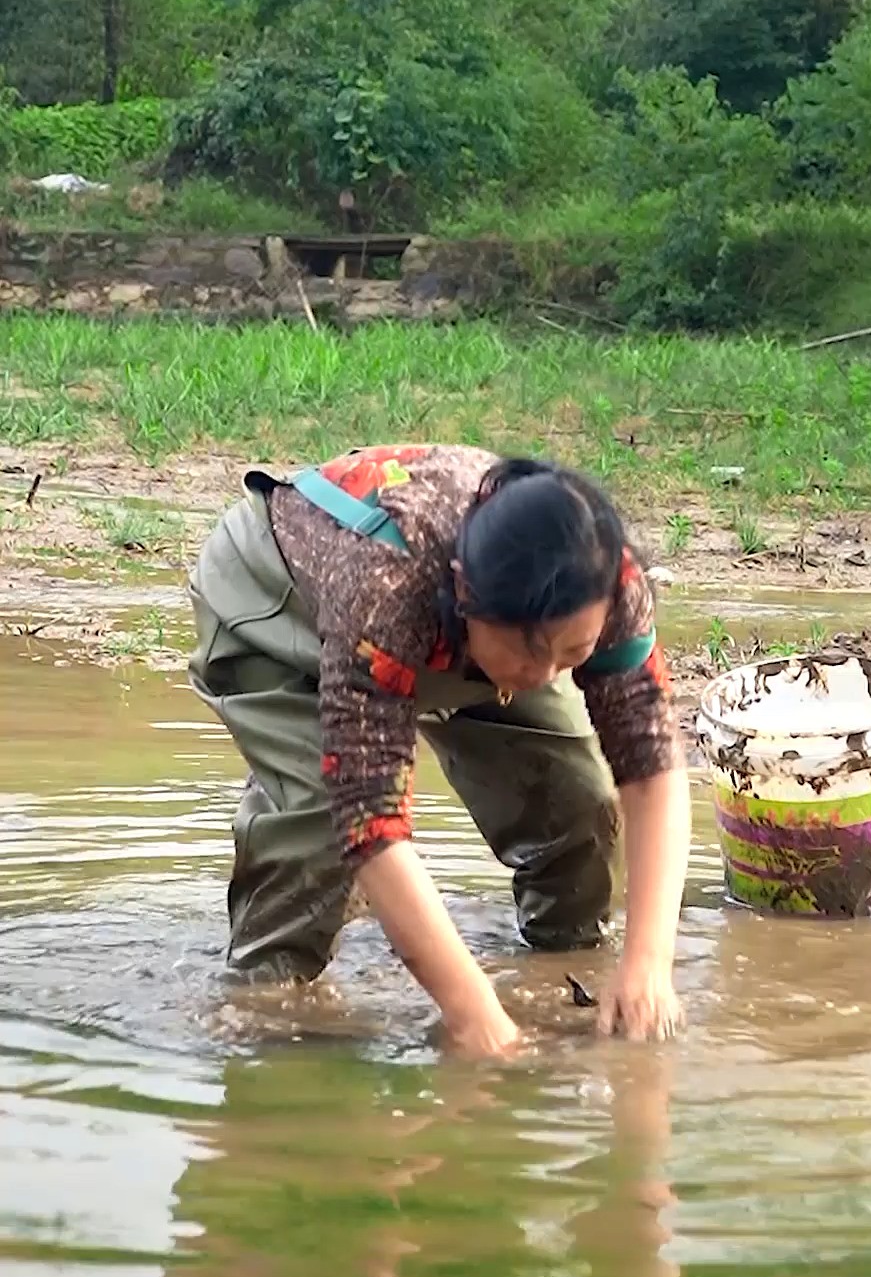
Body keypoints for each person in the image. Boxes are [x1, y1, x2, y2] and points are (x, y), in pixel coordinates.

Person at [188, 444, 690, 1056]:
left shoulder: (607, 578)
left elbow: (651, 769)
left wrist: (647, 963)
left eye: (573, 655)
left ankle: (569, 959)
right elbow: (372, 821)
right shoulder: (390, 581)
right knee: (319, 823)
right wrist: (474, 1011)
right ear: (466, 598)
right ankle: (265, 1016)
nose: (549, 672)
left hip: (449, 632)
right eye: (532, 654)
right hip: (275, 599)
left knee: (577, 801)